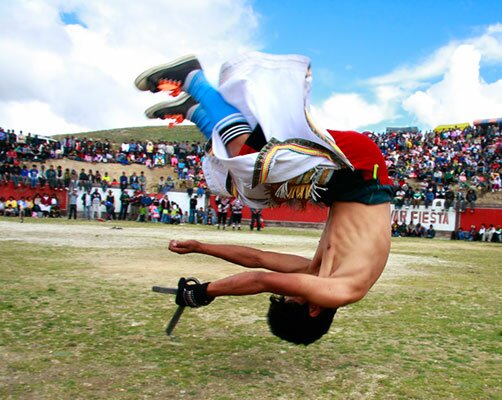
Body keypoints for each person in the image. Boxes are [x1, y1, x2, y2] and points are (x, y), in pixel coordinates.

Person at [136, 52, 394, 345]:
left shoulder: (321, 273)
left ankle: (198, 110)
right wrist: (204, 292)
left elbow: (258, 259)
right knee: (255, 162)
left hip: (346, 182)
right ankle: (193, 81)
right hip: (359, 169)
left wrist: (201, 247)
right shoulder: (343, 289)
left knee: (250, 185)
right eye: (286, 298)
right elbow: (262, 279)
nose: (285, 291)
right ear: (312, 308)